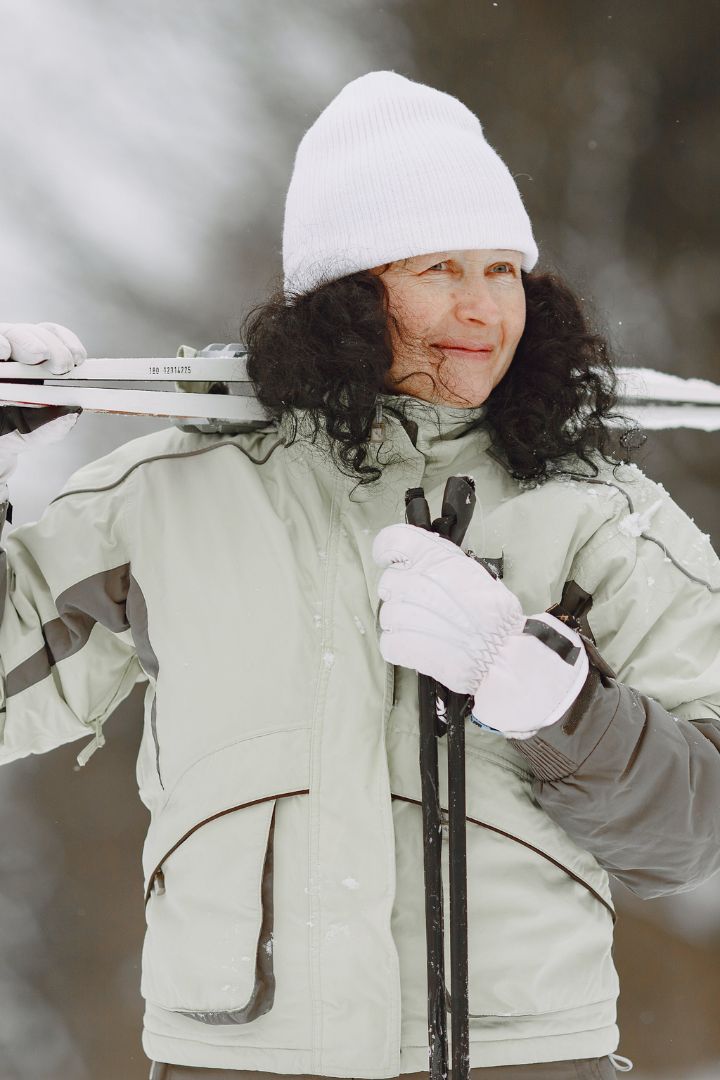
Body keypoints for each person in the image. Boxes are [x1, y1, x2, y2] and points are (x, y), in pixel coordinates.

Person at [1, 71, 719, 1080]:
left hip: (529, 1062)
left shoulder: (599, 514)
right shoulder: (170, 498)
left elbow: (702, 834)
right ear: (347, 291)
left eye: (503, 269)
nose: (483, 308)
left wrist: (568, 713)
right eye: (438, 266)